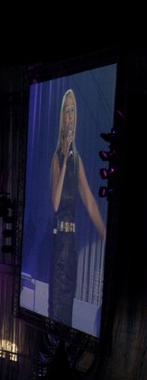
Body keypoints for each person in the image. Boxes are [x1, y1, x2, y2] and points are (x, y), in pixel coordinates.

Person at [48, 89, 107, 326]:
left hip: (71, 245)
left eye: (73, 111)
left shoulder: (77, 160)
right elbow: (55, 203)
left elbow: (90, 200)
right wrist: (65, 160)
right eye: (67, 111)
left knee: (67, 305)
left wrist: (105, 233)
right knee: (57, 305)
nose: (70, 116)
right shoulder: (57, 158)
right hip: (59, 242)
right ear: (62, 118)